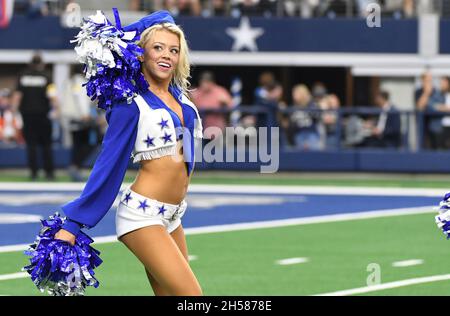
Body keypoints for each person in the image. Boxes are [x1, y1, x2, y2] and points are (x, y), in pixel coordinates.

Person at [54, 10, 203, 296]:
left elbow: (165, 14)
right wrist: (73, 224)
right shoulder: (130, 104)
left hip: (173, 215)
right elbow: (108, 165)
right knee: (192, 297)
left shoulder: (180, 96)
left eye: (173, 50)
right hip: (142, 216)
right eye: (157, 47)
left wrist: (160, 27)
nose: (167, 55)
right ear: (141, 53)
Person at [12, 53, 58, 180]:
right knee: (46, 145)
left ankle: (33, 173)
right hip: (43, 115)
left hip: (27, 115)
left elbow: (17, 96)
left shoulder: (23, 75)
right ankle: (49, 173)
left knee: (31, 145)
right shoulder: (47, 76)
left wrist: (13, 110)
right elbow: (52, 96)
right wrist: (56, 110)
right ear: (41, 64)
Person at [190, 71, 233, 142]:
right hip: (201, 129)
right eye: (203, 82)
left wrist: (224, 104)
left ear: (212, 82)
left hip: (218, 128)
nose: (204, 84)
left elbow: (231, 106)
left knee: (219, 151)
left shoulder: (220, 92)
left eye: (207, 82)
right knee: (201, 151)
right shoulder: (197, 93)